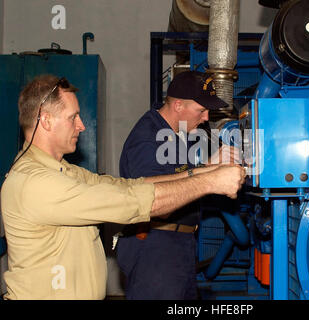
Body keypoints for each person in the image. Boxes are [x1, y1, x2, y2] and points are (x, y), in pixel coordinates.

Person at [0, 74, 245, 300]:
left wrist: (205, 171)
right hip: (156, 253)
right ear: (46, 120)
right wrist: (211, 181)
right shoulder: (38, 183)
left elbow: (128, 186)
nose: (82, 126)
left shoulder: (65, 171)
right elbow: (136, 201)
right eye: (73, 117)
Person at [117, 70, 240, 300]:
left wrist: (209, 166)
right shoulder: (148, 138)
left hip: (177, 245)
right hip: (156, 248)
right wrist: (210, 176)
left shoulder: (173, 134)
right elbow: (153, 196)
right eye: (201, 110)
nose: (205, 118)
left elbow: (178, 176)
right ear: (178, 106)